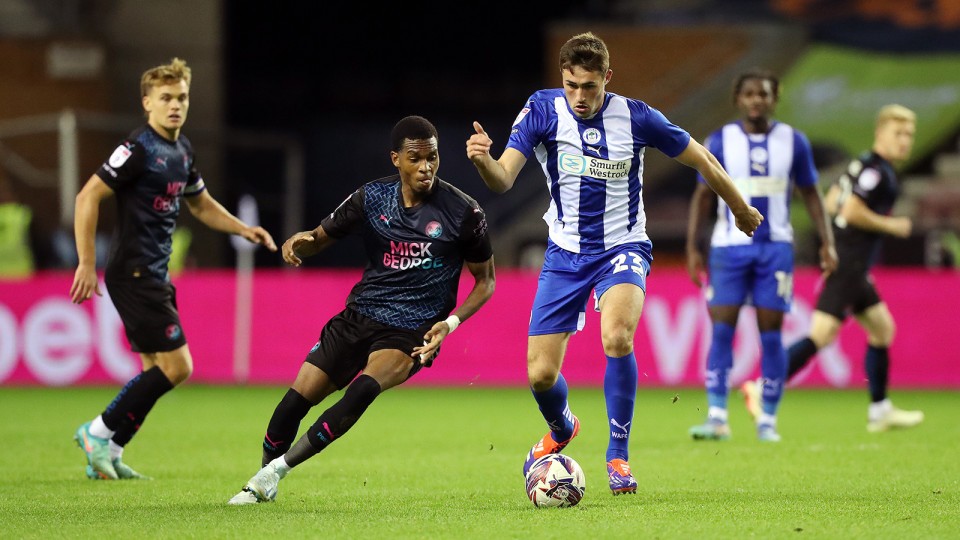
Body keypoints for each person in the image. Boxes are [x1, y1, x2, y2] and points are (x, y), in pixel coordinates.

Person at [466, 32, 762, 495]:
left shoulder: (637, 117)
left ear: (607, 78)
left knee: (618, 335)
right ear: (561, 79)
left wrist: (739, 206)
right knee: (540, 374)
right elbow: (503, 178)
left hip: (623, 245)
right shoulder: (542, 109)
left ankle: (618, 456)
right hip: (564, 252)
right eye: (570, 85)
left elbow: (702, 157)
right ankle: (562, 428)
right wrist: (484, 161)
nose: (580, 97)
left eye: (589, 86)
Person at [227, 116, 496, 505]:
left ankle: (275, 472)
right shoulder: (371, 198)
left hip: (411, 331)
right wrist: (298, 243)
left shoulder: (463, 212)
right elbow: (319, 238)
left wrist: (449, 324)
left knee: (361, 392)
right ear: (396, 159)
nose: (426, 168)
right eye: (415, 159)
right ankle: (263, 477)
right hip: (358, 316)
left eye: (433, 158)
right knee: (292, 404)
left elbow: (486, 281)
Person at [70, 58, 277, 480]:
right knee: (178, 367)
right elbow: (87, 197)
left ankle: (107, 453)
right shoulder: (137, 149)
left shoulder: (182, 150)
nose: (175, 105)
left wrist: (243, 229)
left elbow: (200, 203)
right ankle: (97, 430)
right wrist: (86, 262)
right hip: (133, 272)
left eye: (181, 97)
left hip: (155, 272)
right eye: (165, 98)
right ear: (147, 103)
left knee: (154, 371)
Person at [685, 69, 837, 443]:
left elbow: (812, 194)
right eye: (750, 94)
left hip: (775, 248)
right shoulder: (719, 141)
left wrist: (827, 241)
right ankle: (717, 416)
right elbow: (703, 196)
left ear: (774, 99)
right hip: (728, 248)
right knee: (723, 330)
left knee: (771, 335)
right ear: (738, 99)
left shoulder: (794, 142)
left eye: (763, 94)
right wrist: (692, 248)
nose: (756, 100)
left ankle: (767, 417)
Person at [772, 104, 923, 433]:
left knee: (882, 329)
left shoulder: (860, 165)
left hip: (849, 260)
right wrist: (891, 225)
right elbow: (852, 211)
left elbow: (832, 202)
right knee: (821, 335)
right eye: (898, 133)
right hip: (851, 262)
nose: (904, 140)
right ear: (879, 132)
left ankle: (880, 409)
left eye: (909, 134)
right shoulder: (877, 172)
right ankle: (765, 386)